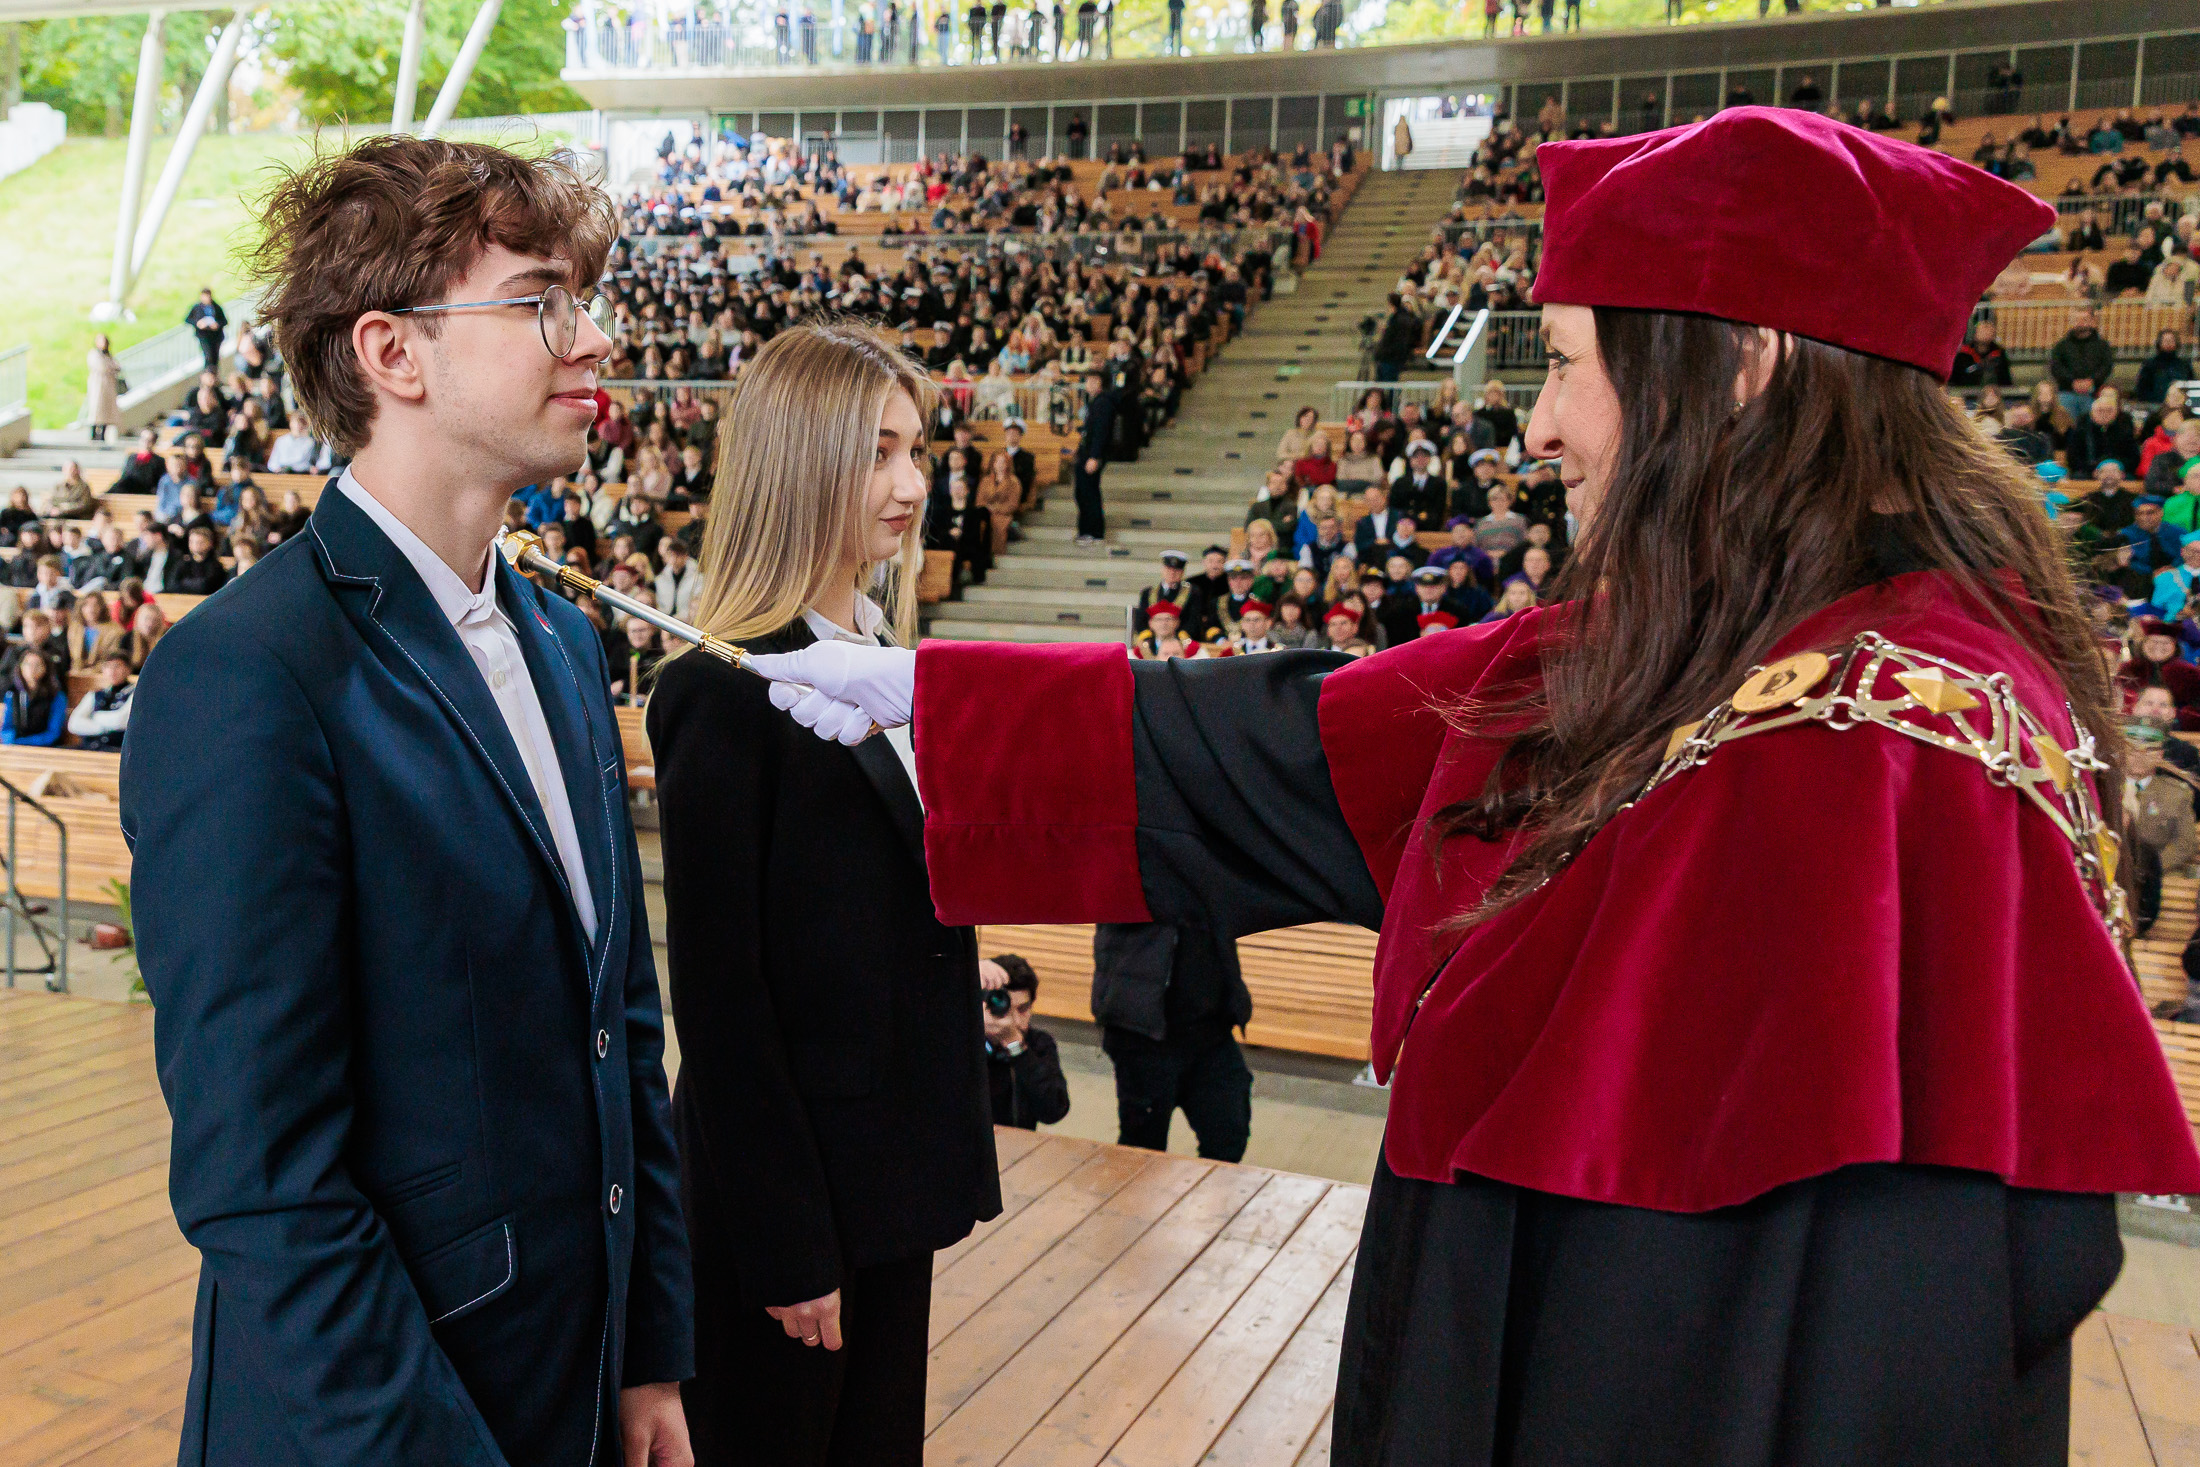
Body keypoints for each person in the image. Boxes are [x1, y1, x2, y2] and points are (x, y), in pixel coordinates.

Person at [747, 107, 2200, 1465]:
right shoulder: (1704, 635)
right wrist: (948, 708)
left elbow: (1874, 1327)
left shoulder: (1901, 757)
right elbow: (1308, 744)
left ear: (1741, 365)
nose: (1540, 428)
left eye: (1565, 363)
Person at [119, 137, 693, 1466]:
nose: (593, 338)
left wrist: (648, 1347)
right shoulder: (247, 673)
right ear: (393, 353)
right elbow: (262, 1177)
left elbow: (622, 1020)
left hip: (574, 1374)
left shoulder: (563, 642)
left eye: (584, 298)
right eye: (539, 300)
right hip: (378, 1417)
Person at [646, 323, 1000, 1467]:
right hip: (795, 1205)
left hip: (889, 1175)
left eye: (917, 450)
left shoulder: (886, 658)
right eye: (878, 452)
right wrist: (787, 1240)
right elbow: (722, 999)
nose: (912, 483)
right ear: (801, 462)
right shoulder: (723, 688)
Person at [1089, 922, 1252, 1162]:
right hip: (1143, 1033)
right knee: (1143, 1150)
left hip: (1210, 1029)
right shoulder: (1128, 896)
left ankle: (1203, 1188)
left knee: (1229, 1136)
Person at [979, 954, 1071, 1130]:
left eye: (1023, 1009)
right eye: (1005, 1009)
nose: (1014, 1021)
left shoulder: (1038, 1043)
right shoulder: (964, 1042)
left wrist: (1016, 1045)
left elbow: (1054, 1111)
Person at [2124, 721, 2197, 933]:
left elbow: (2185, 844)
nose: (2140, 756)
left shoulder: (2176, 793)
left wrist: (2150, 870)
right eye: (2132, 749)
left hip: (2156, 881)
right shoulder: (2102, 785)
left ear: (2160, 755)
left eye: (2149, 750)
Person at [1073, 367, 1114, 546]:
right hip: (1087, 452)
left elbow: (1101, 432)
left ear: (1098, 382)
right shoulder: (1096, 402)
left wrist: (1095, 456)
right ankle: (1089, 531)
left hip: (1092, 454)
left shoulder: (1103, 402)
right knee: (1083, 492)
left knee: (1088, 492)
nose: (1087, 384)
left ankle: (1092, 532)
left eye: (1090, 380)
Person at [67, 651, 136, 752]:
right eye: (108, 667)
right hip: (90, 747)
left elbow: (120, 721)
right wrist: (102, 728)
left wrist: (94, 717)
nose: (112, 671)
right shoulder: (96, 694)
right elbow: (74, 724)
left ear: (128, 669)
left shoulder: (135, 693)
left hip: (116, 748)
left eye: (117, 666)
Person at [0, 646, 66, 745]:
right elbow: (6, 728)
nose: (32, 669)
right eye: (27, 664)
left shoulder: (56, 697)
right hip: (15, 747)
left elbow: (53, 733)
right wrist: (10, 741)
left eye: (37, 665)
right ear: (20, 667)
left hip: (44, 748)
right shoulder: (12, 694)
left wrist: (22, 743)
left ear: (45, 668)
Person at [85, 332, 123, 442]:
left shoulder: (108, 356)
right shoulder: (94, 354)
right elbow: (102, 367)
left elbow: (116, 366)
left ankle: (103, 434)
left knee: (107, 412)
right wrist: (111, 368)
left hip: (108, 387)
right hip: (98, 386)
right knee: (96, 410)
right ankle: (93, 434)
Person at [186, 286, 228, 371]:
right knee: (208, 356)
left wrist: (217, 325)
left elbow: (224, 321)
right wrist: (198, 323)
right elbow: (188, 320)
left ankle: (214, 374)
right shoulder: (197, 308)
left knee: (215, 357)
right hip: (204, 336)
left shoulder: (216, 307)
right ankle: (208, 373)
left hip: (216, 336)